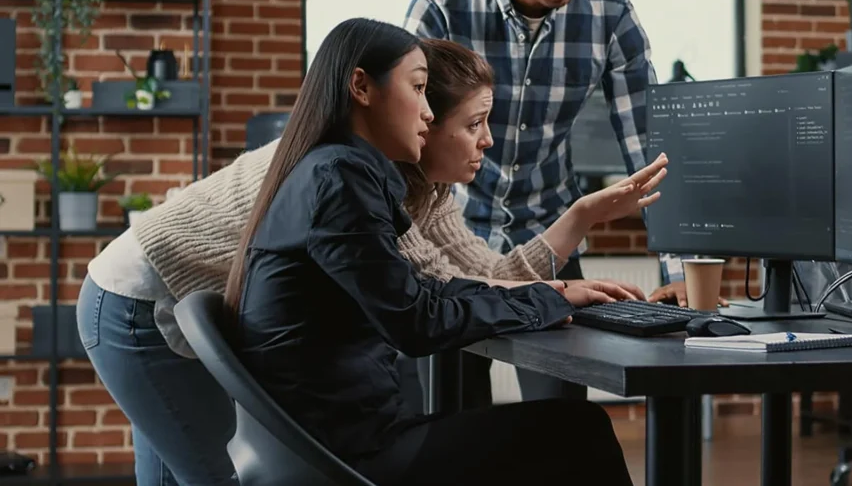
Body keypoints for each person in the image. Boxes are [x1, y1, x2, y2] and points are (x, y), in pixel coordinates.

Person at [76, 30, 662, 486]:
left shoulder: (412, 187)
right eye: (473, 123)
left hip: (187, 307)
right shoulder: (346, 179)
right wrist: (546, 297)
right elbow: (426, 308)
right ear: (415, 116)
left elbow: (479, 277)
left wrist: (576, 222)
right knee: (204, 477)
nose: (487, 141)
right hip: (137, 298)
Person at [225, 18, 635, 486]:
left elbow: (421, 289)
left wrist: (549, 293)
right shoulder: (341, 180)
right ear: (361, 87)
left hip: (331, 440)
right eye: (418, 89)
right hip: (349, 453)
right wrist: (547, 300)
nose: (427, 112)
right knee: (580, 429)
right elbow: (418, 323)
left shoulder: (336, 169)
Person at [404, 0, 657, 404]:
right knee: (445, 419)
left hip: (550, 234)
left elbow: (647, 143)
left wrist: (679, 264)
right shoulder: (442, 7)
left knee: (562, 418)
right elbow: (405, 138)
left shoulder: (609, 15)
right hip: (448, 242)